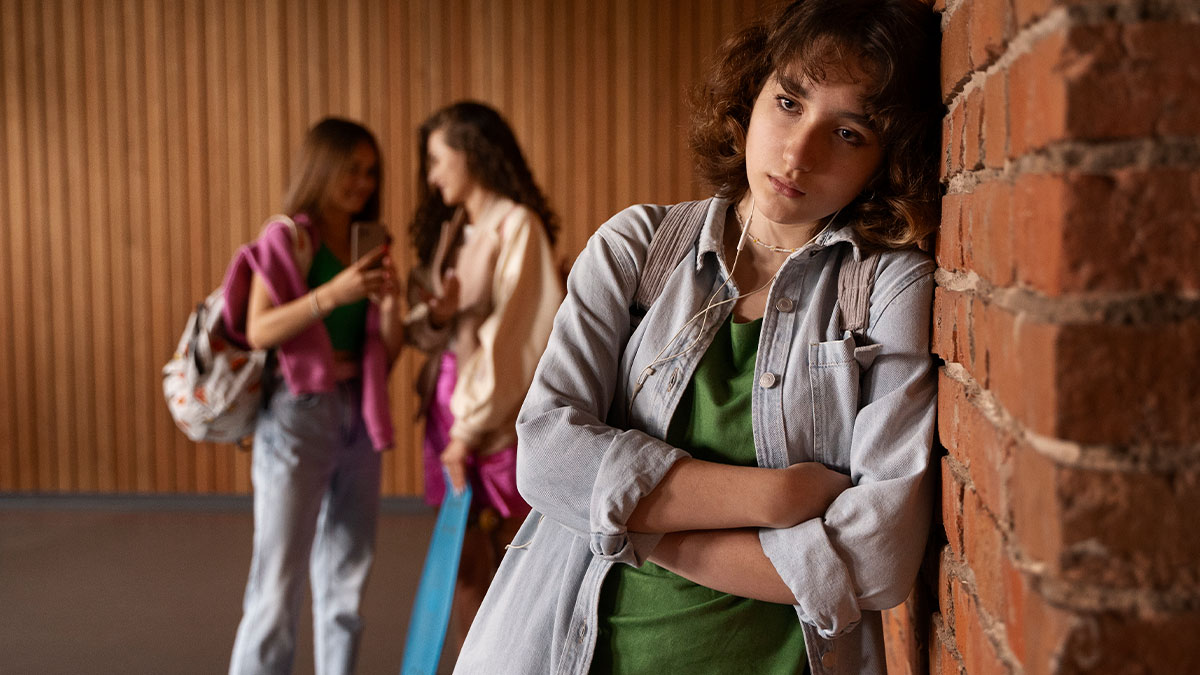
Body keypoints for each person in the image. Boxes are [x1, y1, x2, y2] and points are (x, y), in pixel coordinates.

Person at [453, 1, 942, 673]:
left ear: (886, 159)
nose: (799, 152)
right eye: (790, 102)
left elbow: (878, 559)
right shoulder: (637, 248)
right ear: (753, 92)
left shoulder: (885, 288)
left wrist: (630, 526)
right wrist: (772, 498)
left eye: (850, 132)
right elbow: (545, 456)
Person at [224, 117, 404, 675]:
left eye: (370, 172)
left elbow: (387, 350)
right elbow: (258, 330)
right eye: (351, 168)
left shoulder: (368, 242)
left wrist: (393, 306)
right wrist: (334, 293)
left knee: (347, 583)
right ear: (321, 166)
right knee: (277, 585)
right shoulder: (289, 238)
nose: (362, 182)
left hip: (357, 413)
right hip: (297, 414)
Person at [404, 101, 566, 647]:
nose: (431, 176)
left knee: (515, 564)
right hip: (452, 405)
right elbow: (434, 330)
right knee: (464, 562)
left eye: (437, 159)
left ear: (471, 154)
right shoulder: (459, 230)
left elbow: (515, 338)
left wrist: (469, 428)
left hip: (495, 416)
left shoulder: (515, 226)